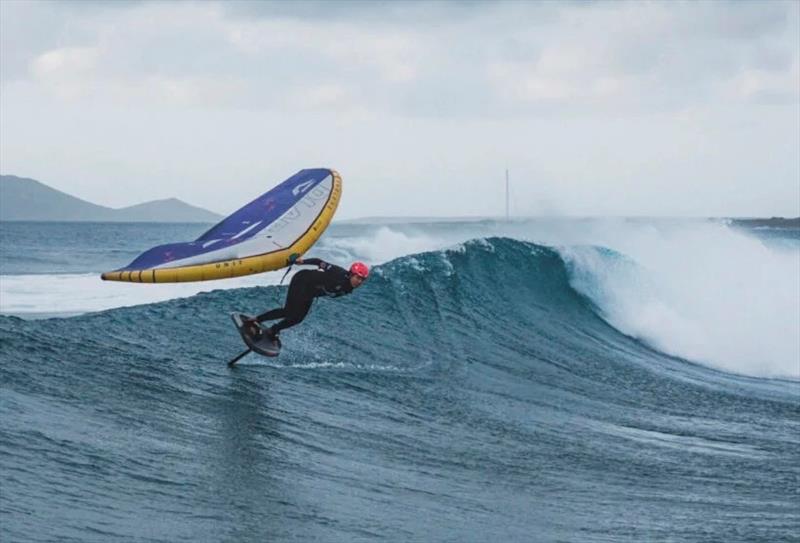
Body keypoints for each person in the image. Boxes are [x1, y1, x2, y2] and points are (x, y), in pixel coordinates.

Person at [244, 257, 369, 341]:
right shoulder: (338, 273)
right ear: (351, 274)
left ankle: (273, 330)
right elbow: (319, 262)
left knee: (298, 318)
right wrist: (301, 261)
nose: (359, 281)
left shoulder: (349, 288)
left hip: (310, 292)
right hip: (302, 280)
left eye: (362, 280)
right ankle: (255, 320)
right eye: (358, 278)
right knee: (289, 311)